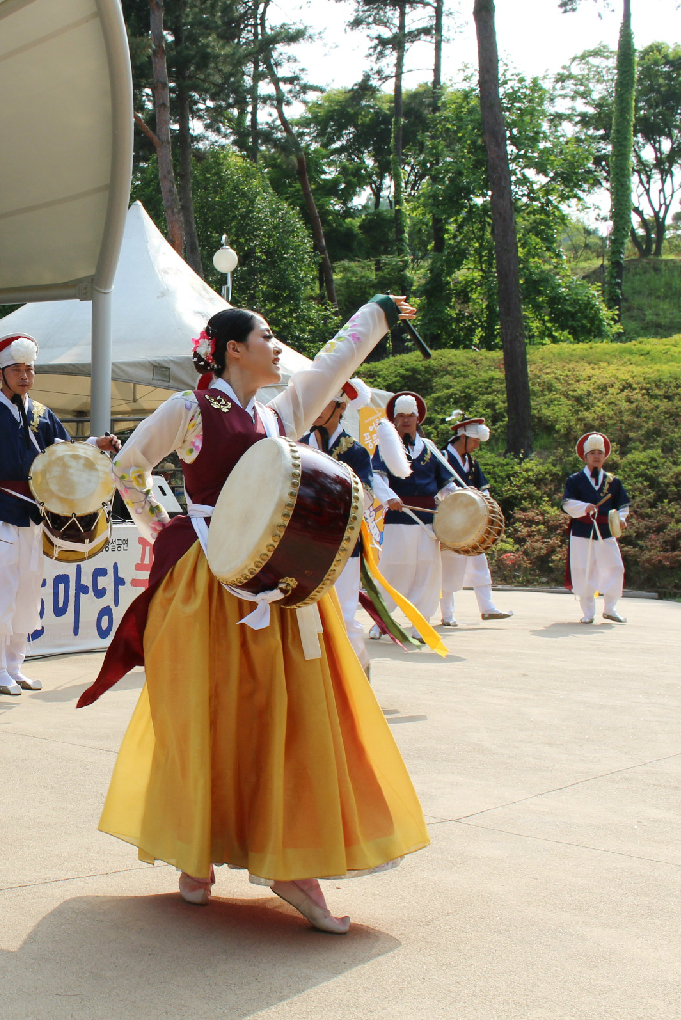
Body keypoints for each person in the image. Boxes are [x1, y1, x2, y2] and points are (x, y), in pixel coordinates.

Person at [79, 298, 430, 934]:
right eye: (266, 336)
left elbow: (330, 364)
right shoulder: (189, 410)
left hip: (279, 584)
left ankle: (292, 863)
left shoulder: (276, 415)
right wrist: (170, 530)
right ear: (232, 348)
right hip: (209, 583)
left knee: (288, 714)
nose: (276, 346)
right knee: (203, 714)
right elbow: (128, 469)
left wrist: (376, 315)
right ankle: (196, 850)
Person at [0, 334, 119, 695]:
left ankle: (16, 665)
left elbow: (63, 452)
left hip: (34, 515)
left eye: (29, 369)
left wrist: (97, 444)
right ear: (1, 374)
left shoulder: (42, 413)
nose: (25, 375)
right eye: (16, 369)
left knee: (29, 591)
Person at [299, 378, 378, 676]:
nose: (317, 408)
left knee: (344, 616)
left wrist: (324, 498)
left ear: (341, 406)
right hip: (304, 543)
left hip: (343, 544)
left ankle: (359, 675)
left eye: (325, 402)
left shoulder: (355, 452)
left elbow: (366, 496)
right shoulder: (298, 445)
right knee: (306, 616)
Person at [369, 391, 453, 640]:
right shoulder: (386, 447)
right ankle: (380, 619)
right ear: (394, 420)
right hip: (400, 516)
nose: (406, 420)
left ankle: (420, 622)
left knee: (427, 570)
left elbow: (445, 483)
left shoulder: (430, 448)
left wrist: (460, 500)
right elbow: (377, 478)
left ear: (418, 419)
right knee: (394, 568)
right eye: (401, 416)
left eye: (410, 416)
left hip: (428, 520)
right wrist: (389, 498)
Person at [437, 411, 513, 626]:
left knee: (479, 563)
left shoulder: (471, 462)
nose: (477, 445)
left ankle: (487, 608)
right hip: (451, 521)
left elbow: (483, 488)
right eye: (475, 441)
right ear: (463, 437)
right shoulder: (443, 457)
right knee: (449, 566)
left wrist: (483, 502)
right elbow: (442, 489)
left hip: (471, 522)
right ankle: (448, 614)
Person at [562, 432, 632, 624]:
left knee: (615, 567)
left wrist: (621, 519)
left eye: (599, 452)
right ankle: (588, 612)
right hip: (582, 531)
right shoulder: (574, 480)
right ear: (585, 456)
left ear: (604, 456)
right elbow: (567, 504)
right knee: (583, 570)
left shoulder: (613, 482)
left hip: (606, 530)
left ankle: (610, 608)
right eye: (592, 452)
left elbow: (623, 506)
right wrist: (585, 508)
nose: (596, 456)